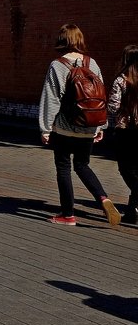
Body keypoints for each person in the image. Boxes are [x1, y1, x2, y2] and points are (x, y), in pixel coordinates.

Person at [38, 23, 120, 226]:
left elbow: (52, 99)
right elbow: (101, 95)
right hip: (89, 125)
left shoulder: (57, 65)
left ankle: (68, 215)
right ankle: (103, 198)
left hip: (65, 127)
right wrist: (101, 126)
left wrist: (45, 128)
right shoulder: (92, 63)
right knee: (83, 165)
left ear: (61, 41)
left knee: (63, 167)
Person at [107, 45, 138, 223]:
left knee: (126, 168)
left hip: (125, 131)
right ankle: (132, 210)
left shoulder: (121, 80)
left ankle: (132, 209)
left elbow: (113, 107)